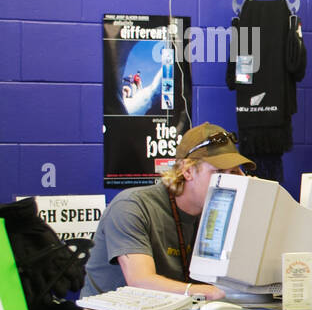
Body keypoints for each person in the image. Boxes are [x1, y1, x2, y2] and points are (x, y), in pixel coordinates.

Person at [84, 122, 256, 300]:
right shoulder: (132, 206)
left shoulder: (220, 213)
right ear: (188, 171)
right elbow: (140, 281)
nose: (229, 181)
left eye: (234, 172)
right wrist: (206, 292)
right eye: (219, 172)